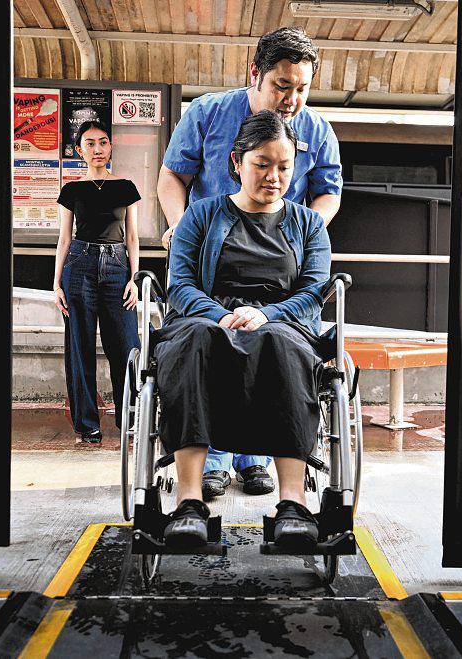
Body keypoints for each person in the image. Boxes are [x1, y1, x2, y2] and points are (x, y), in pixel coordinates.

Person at [157, 26, 343, 500]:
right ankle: (209, 466)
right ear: (255, 74)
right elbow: (173, 176)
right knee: (204, 337)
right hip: (211, 260)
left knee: (278, 341)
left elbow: (328, 193)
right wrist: (183, 229)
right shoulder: (209, 113)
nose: (292, 99)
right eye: (283, 85)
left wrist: (304, 233)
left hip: (279, 267)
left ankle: (260, 460)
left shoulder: (316, 131)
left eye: (302, 88)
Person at [156, 110, 331, 547]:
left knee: (282, 344)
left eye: (284, 167)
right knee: (193, 340)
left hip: (281, 321)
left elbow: (314, 292)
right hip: (207, 316)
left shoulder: (309, 224)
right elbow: (179, 285)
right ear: (237, 162)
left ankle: (293, 503)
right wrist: (219, 315)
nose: (274, 176)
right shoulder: (200, 215)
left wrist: (267, 314)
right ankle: (189, 501)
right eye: (262, 164)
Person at [54, 120, 141, 444]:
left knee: (126, 346)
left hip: (118, 268)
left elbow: (132, 237)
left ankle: (131, 420)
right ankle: (88, 425)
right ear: (80, 150)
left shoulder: (126, 187)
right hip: (79, 266)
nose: (98, 149)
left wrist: (133, 278)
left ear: (110, 147)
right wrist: (57, 284)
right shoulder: (72, 190)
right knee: (80, 347)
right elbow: (64, 239)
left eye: (103, 142)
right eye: (90, 143)